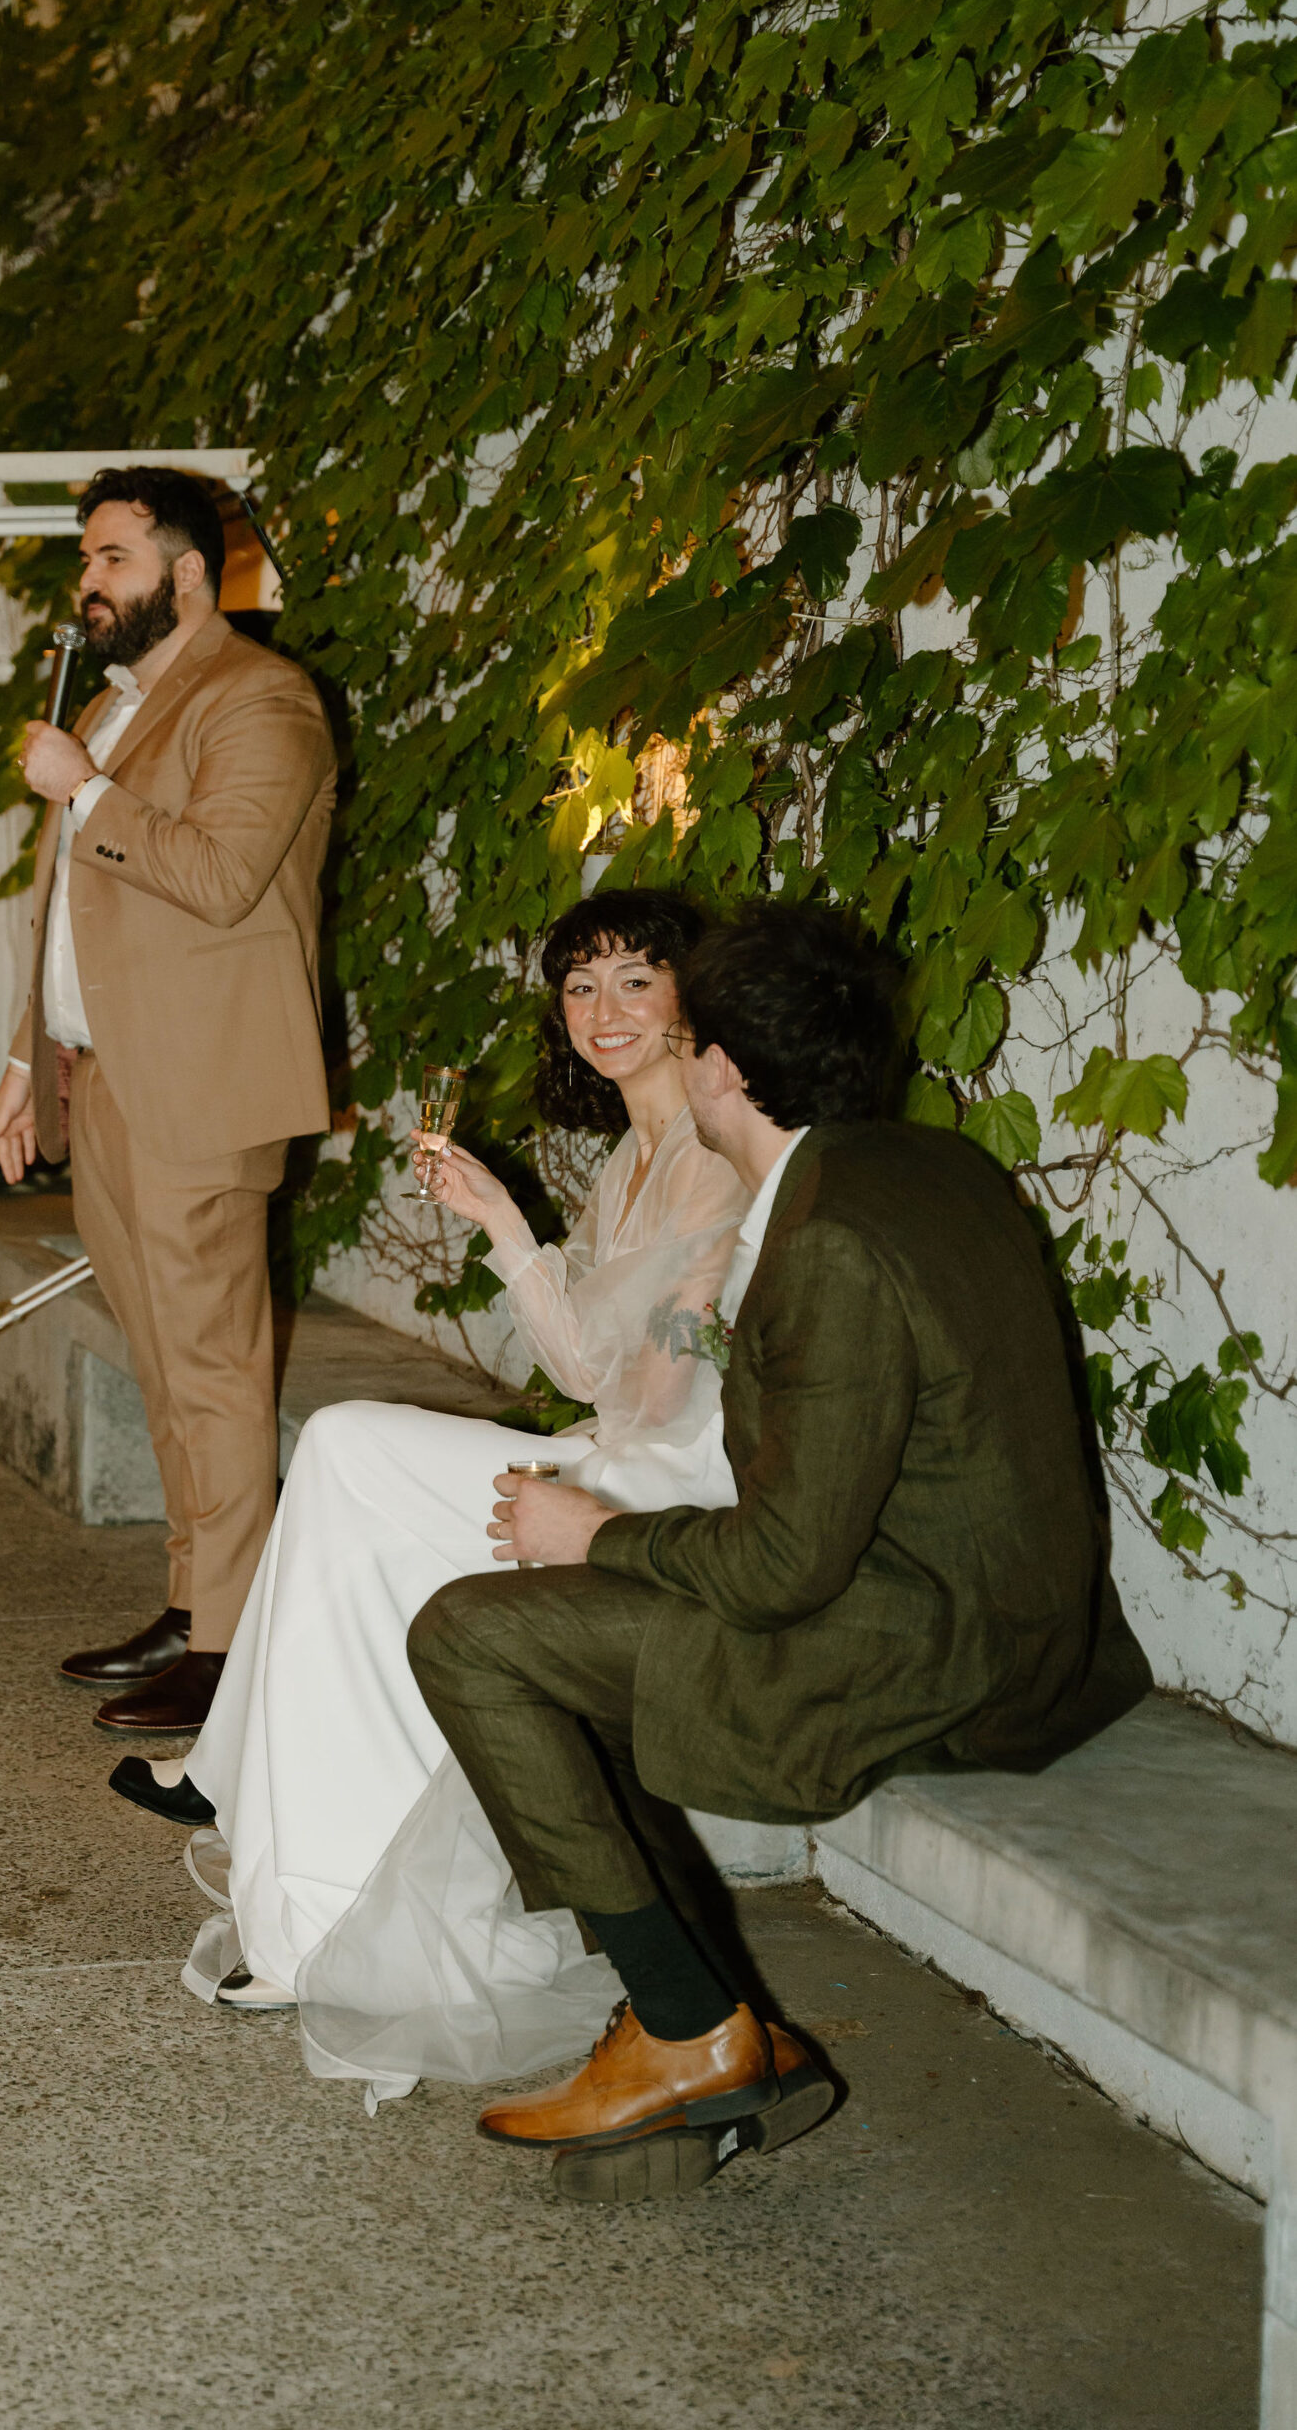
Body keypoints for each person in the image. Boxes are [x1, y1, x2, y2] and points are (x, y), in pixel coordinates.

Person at [406, 896, 1154, 2200]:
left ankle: (689, 2035)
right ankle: (693, 2013)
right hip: (983, 1609)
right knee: (568, 1651)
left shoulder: (827, 1246)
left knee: (474, 1636)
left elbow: (779, 1571)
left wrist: (597, 1531)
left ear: (722, 1069)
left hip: (941, 1656)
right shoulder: (907, 1171)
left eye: (682, 1025)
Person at [121, 890, 748, 2065]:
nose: (601, 1010)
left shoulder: (714, 1155)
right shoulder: (629, 1158)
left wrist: (627, 1374)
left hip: (662, 1496)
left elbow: (663, 1397)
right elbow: (581, 1365)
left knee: (353, 1461)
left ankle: (293, 1878)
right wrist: (503, 1218)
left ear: (686, 996)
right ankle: (299, 1879)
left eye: (632, 980)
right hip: (607, 1450)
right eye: (578, 986)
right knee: (345, 1458)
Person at [0, 466, 335, 1734]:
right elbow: (66, 910)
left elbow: (226, 875)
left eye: (114, 558)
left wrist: (85, 788)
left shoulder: (262, 700)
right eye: (88, 559)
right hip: (111, 1079)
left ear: (189, 571)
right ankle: (198, 1602)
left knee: (217, 1374)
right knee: (164, 1366)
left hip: (203, 1083)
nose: (89, 584)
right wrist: (26, 1063)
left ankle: (236, 1645)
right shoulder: (122, 710)